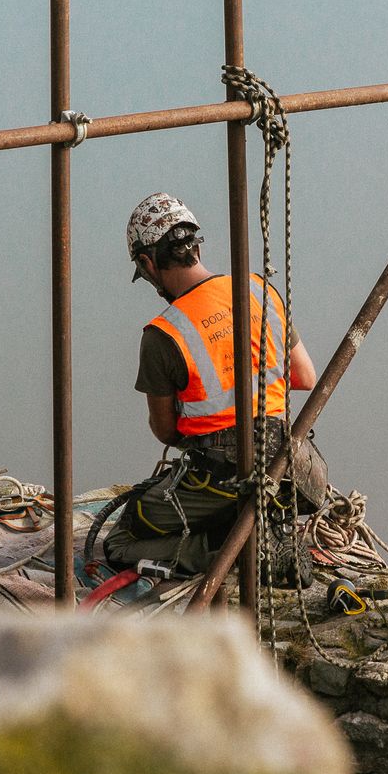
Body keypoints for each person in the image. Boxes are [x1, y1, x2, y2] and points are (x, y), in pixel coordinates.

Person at [102, 192, 320, 574]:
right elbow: (305, 377)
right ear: (194, 246)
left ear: (146, 262)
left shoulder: (162, 334)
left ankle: (227, 551)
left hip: (222, 479)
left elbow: (166, 431)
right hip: (285, 465)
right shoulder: (258, 290)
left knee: (121, 540)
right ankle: (259, 530)